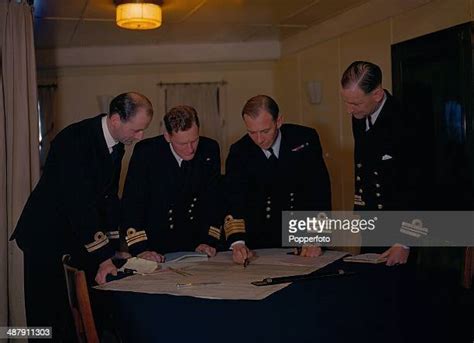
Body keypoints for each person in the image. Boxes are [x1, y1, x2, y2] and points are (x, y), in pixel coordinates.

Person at [10, 92, 153, 339]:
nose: (140, 137)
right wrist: (103, 256)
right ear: (117, 119)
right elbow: (80, 205)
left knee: (81, 312)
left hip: (75, 233)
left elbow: (107, 200)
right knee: (47, 318)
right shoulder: (74, 140)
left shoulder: (117, 142)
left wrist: (114, 249)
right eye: (137, 130)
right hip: (44, 235)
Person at [224, 95, 331, 264]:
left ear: (279, 121)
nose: (259, 139)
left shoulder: (304, 139)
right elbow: (234, 200)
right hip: (259, 241)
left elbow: (319, 192)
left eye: (265, 131)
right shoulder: (239, 151)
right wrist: (238, 242)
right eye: (252, 132)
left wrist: (317, 237)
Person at [340, 61, 423, 266]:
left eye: (355, 103)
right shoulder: (360, 114)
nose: (348, 110)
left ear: (377, 94)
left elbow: (418, 185)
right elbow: (365, 166)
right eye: (346, 102)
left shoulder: (407, 119)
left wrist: (405, 242)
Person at [121, 105, 222, 261]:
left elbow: (213, 200)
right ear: (167, 136)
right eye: (182, 143)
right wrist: (140, 249)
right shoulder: (146, 153)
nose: (190, 149)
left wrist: (208, 241)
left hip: (196, 245)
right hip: (154, 246)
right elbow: (133, 204)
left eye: (194, 140)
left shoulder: (210, 149)